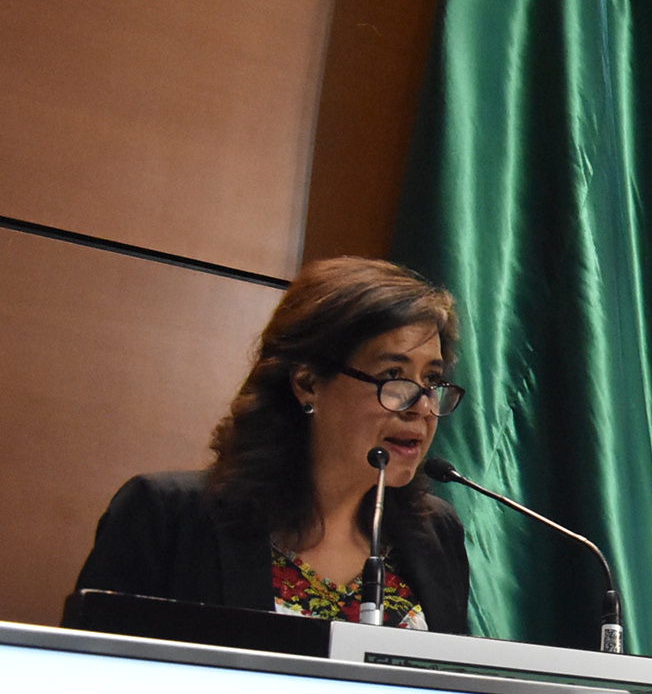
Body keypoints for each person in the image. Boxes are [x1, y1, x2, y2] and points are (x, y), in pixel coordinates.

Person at [72, 257, 472, 632]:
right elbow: (91, 673)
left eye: (431, 381)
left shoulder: (434, 534)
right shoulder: (168, 518)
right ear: (307, 384)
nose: (422, 406)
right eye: (393, 376)